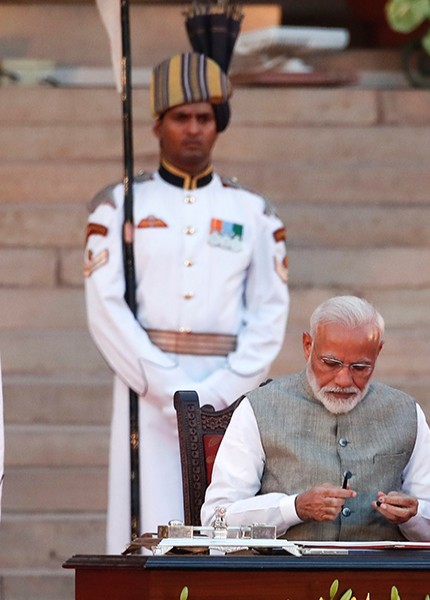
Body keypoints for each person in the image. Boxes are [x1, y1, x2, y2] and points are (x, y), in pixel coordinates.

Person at [84, 52, 290, 553]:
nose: (193, 129)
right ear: (157, 124)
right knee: (147, 522)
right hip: (146, 387)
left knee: (223, 525)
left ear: (218, 126)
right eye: (181, 117)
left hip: (228, 394)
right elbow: (105, 304)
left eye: (204, 118)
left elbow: (268, 311)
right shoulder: (120, 205)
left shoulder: (253, 212)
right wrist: (165, 384)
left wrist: (220, 390)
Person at [201, 295, 430, 541]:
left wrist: (415, 515)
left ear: (377, 353)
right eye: (331, 363)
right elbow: (216, 519)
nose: (344, 380)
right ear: (307, 346)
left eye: (360, 367)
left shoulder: (404, 411)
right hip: (284, 579)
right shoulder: (259, 408)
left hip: (381, 581)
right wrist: (293, 508)